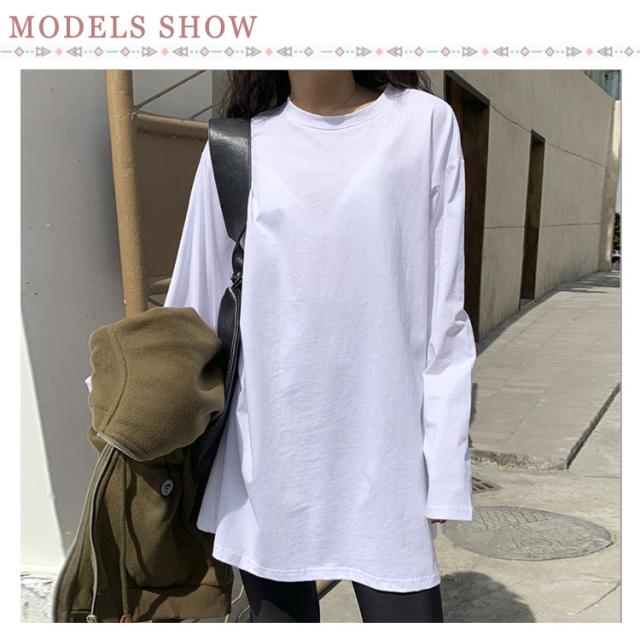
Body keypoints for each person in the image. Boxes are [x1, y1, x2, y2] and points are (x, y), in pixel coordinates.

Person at [163, 70, 477, 623]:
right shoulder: (236, 147)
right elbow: (191, 307)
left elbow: (444, 316)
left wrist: (444, 465)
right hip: (265, 456)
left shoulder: (423, 123)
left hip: (385, 453)